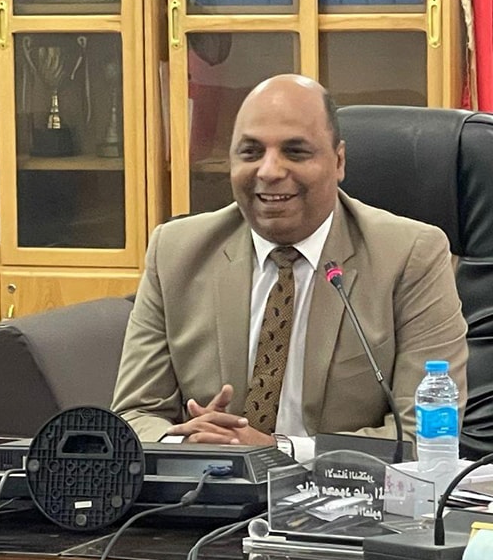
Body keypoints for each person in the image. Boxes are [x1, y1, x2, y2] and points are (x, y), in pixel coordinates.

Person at [111, 74, 468, 461]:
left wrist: (278, 451)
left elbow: (422, 437)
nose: (268, 171)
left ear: (339, 161)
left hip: (344, 494)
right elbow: (133, 415)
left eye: (295, 152)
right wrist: (189, 444)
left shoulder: (411, 256)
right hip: (209, 490)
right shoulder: (176, 252)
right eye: (250, 152)